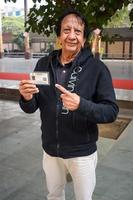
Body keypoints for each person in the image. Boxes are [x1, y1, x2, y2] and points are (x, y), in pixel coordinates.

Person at [19, 9, 119, 200]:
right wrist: (26, 98)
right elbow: (31, 107)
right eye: (66, 30)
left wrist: (82, 104)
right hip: (51, 150)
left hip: (82, 153)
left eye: (77, 31)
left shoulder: (97, 69)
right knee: (54, 195)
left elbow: (111, 111)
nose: (71, 36)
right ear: (59, 36)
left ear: (84, 38)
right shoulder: (43, 64)